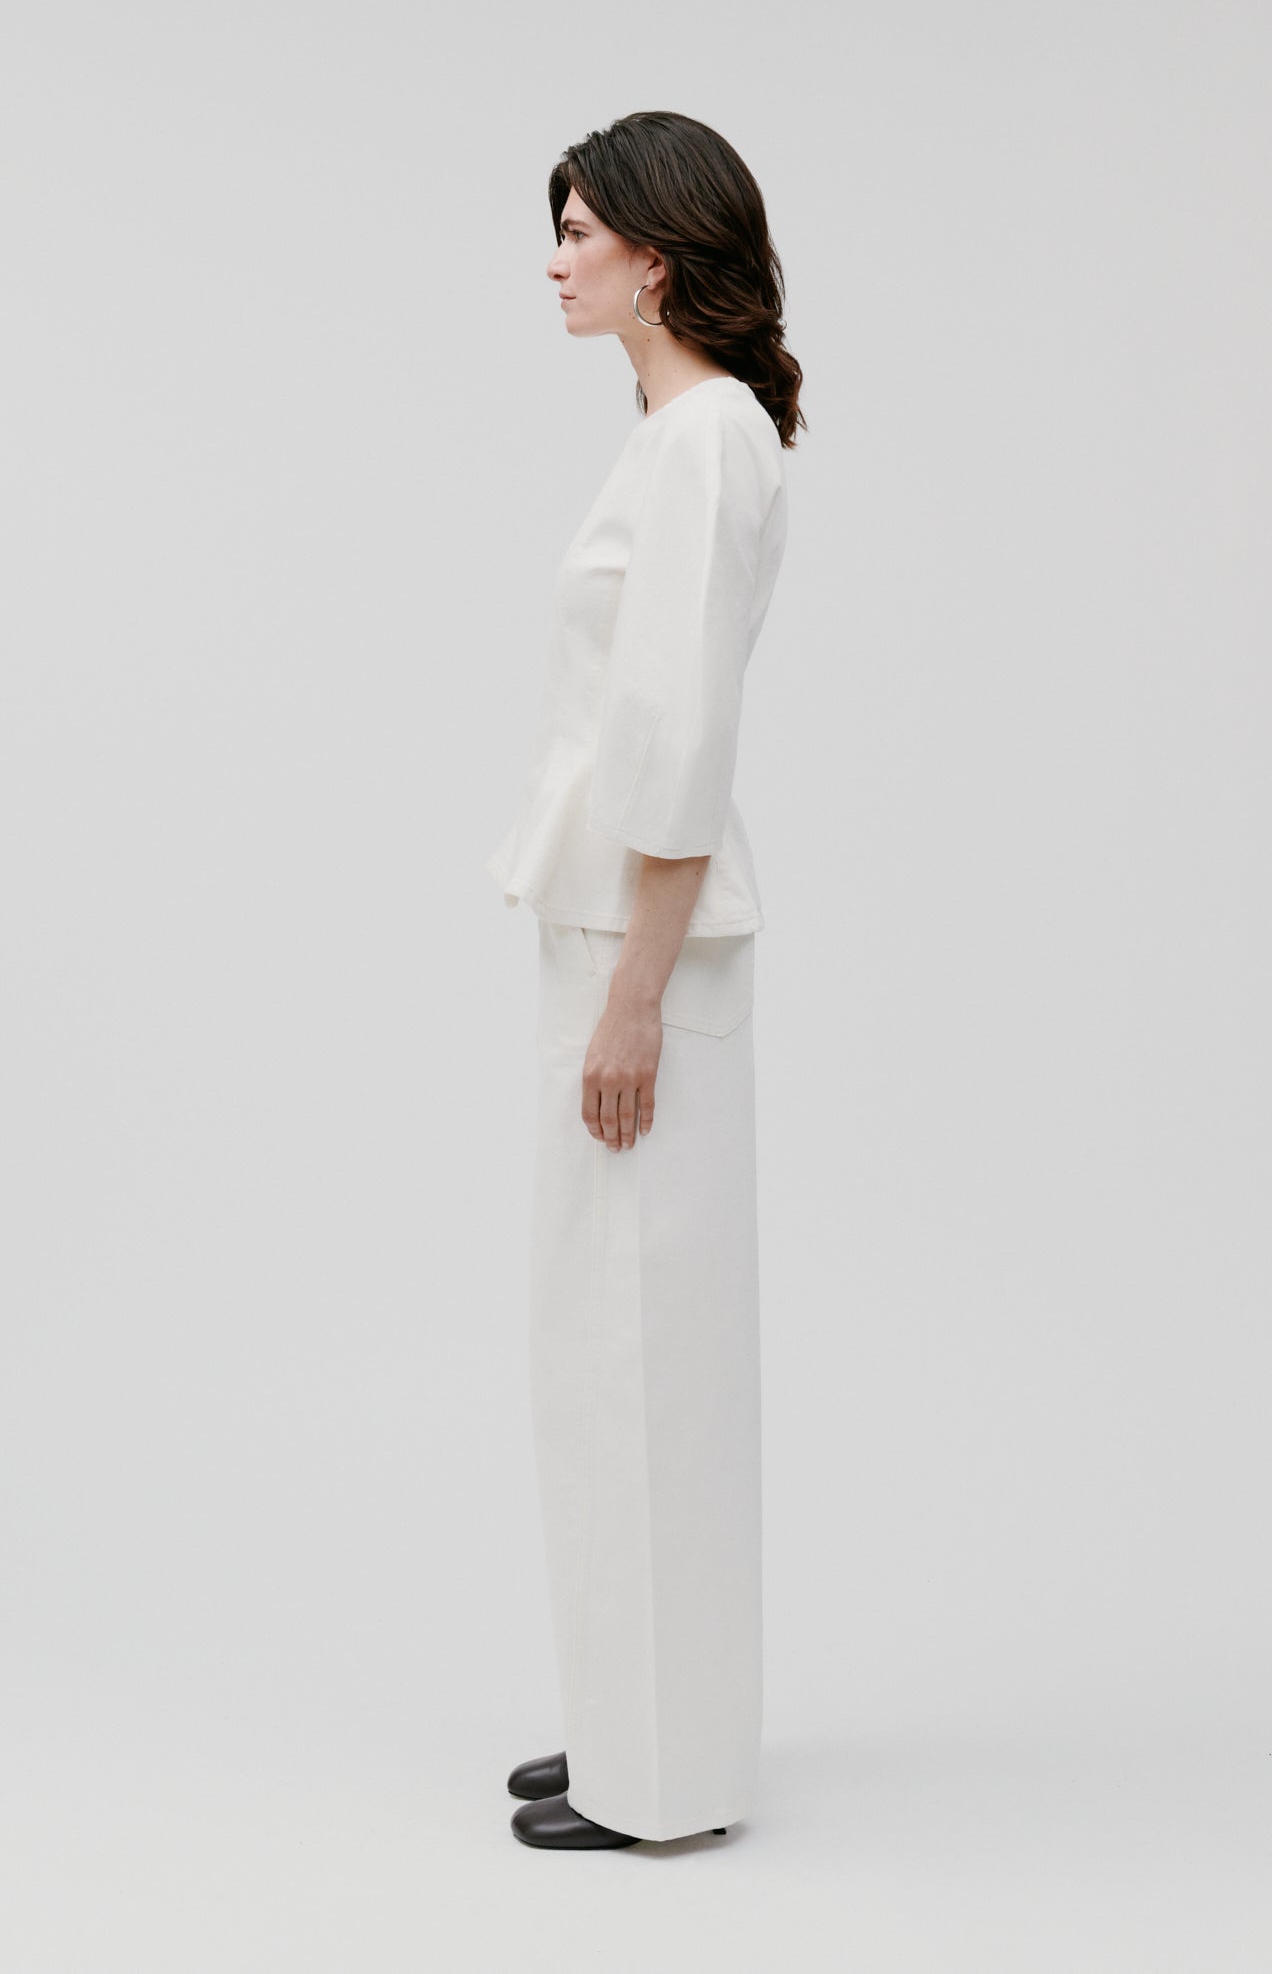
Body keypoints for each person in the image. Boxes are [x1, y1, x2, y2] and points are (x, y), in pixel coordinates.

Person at [485, 110, 806, 1850]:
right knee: (608, 1342)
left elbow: (676, 739)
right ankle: (636, 1721)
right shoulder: (686, 433)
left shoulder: (701, 444)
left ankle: (659, 1779)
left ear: (657, 260)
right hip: (615, 932)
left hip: (642, 946)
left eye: (581, 231)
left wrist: (632, 999)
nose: (556, 256)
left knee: (636, 1347)